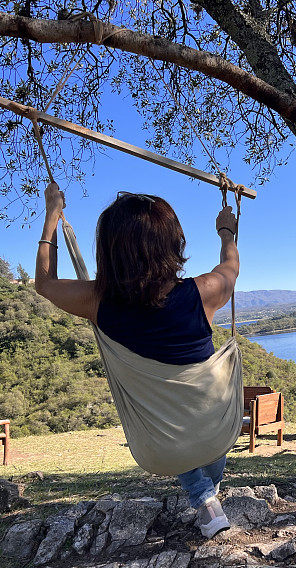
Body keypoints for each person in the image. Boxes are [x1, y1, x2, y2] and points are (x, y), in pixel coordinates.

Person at [35, 182, 239, 538]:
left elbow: (44, 283)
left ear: (110, 251)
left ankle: (205, 499)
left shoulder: (97, 302)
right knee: (196, 430)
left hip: (161, 445)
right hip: (217, 428)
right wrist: (226, 232)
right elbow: (231, 265)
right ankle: (208, 496)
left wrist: (52, 214)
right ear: (172, 242)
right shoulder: (204, 291)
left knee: (171, 424)